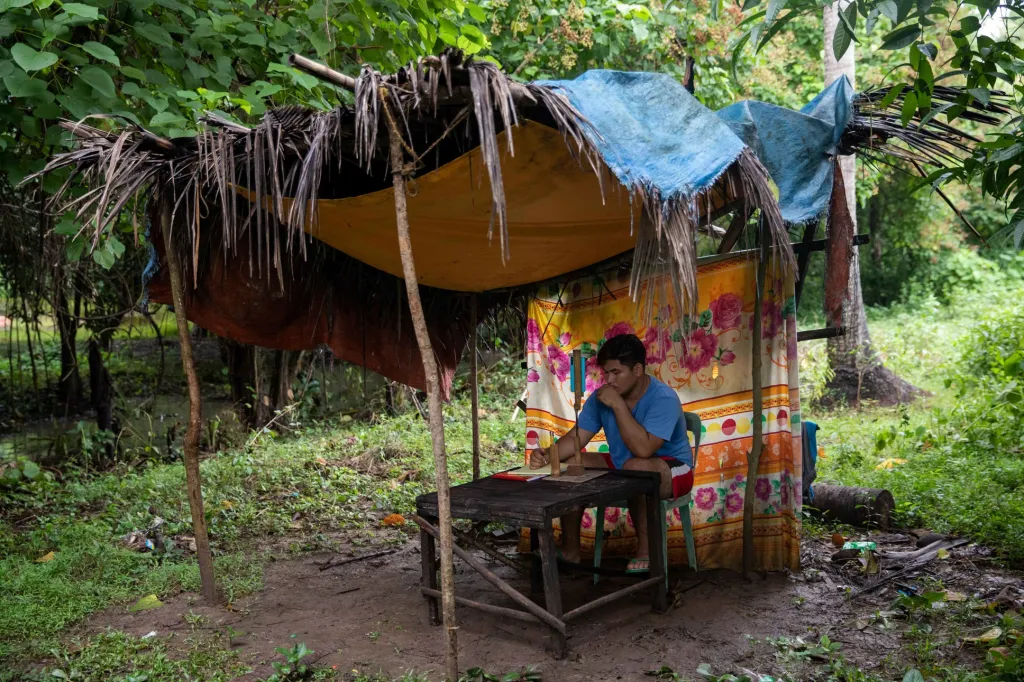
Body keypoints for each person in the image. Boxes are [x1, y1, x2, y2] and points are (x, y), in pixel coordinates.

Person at [530, 332, 693, 573]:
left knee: (637, 468)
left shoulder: (663, 398)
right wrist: (547, 454)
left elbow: (644, 449)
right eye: (606, 373)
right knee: (573, 462)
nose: (609, 380)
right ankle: (571, 549)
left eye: (616, 372)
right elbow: (577, 437)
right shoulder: (601, 398)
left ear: (637, 370)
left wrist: (617, 404)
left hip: (673, 468)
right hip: (625, 464)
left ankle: (647, 551)